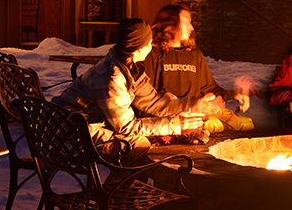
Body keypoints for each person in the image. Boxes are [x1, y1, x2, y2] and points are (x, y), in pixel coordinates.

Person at [51, 18, 210, 176]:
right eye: (149, 41)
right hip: (73, 133)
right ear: (139, 48)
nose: (152, 45)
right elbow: (126, 127)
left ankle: (122, 195)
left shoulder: (129, 66)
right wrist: (174, 125)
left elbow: (155, 103)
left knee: (143, 140)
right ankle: (117, 197)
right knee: (137, 146)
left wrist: (194, 104)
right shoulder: (112, 77)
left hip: (89, 124)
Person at [143, 4, 254, 133]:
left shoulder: (195, 55)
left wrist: (234, 94)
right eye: (186, 21)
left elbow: (210, 88)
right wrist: (165, 97)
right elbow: (145, 95)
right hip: (177, 115)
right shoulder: (153, 54)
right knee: (212, 125)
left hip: (202, 109)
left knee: (245, 124)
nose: (192, 27)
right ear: (171, 21)